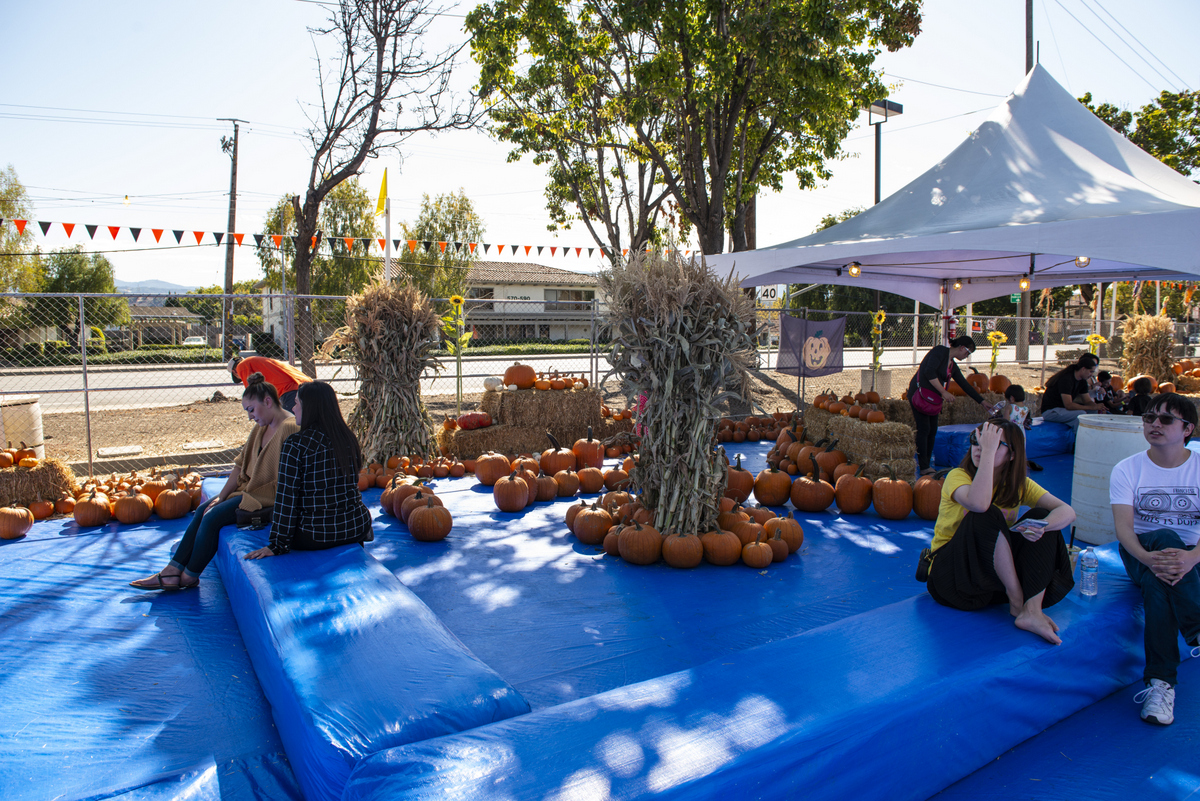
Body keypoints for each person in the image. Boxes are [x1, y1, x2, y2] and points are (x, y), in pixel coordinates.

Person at [130, 373, 299, 590]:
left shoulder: (289, 427)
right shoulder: (261, 426)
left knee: (212, 517)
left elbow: (288, 477)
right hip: (248, 491)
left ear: (267, 401)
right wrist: (221, 497)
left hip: (267, 497)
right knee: (203, 509)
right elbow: (240, 465)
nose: (250, 417)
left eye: (251, 410)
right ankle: (172, 569)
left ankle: (189, 576)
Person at [926, 418, 1077, 644]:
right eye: (976, 440)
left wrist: (1041, 526)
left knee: (1040, 517)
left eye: (993, 443)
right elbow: (979, 504)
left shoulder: (1018, 485)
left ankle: (1031, 611)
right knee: (985, 513)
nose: (980, 448)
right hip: (952, 579)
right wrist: (989, 452)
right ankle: (1018, 600)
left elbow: (1067, 511)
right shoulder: (958, 476)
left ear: (1012, 454)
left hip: (991, 583)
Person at [1112, 393, 1200, 726]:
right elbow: (1124, 529)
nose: (1154, 424)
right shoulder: (1127, 468)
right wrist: (1147, 558)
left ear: (1188, 429)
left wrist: (1191, 559)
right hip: (1140, 551)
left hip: (1191, 556)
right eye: (1149, 418)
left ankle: (1160, 685)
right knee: (1164, 539)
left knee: (1156, 583)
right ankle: (1197, 627)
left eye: (1165, 419)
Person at [244, 380, 373, 560]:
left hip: (313, 534)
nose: (293, 408)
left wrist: (278, 544)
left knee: (273, 513)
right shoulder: (347, 438)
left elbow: (286, 498)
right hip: (355, 527)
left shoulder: (295, 444)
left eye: (297, 403)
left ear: (310, 407)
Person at [909, 336, 991, 476]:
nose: (966, 356)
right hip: (920, 395)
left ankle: (927, 464)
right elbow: (929, 372)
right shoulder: (939, 352)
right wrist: (943, 392)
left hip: (933, 399)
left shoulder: (952, 365)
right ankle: (923, 466)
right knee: (924, 429)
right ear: (962, 347)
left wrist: (982, 402)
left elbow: (964, 384)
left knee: (932, 430)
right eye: (968, 353)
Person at [1040, 355, 1105, 433]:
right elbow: (1068, 405)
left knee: (1093, 412)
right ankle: (1079, 438)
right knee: (1081, 414)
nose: (1091, 374)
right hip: (1051, 411)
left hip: (1064, 411)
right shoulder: (1066, 379)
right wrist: (1090, 407)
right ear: (1083, 369)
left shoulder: (1082, 381)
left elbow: (1087, 400)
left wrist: (1097, 407)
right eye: (1090, 371)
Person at [229, 354, 311, 413]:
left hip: (289, 389)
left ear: (234, 372)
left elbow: (252, 394)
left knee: (290, 425)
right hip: (304, 383)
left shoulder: (241, 366)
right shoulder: (254, 361)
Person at [989, 384, 1042, 472]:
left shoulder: (1010, 407)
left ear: (1012, 398)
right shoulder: (1026, 408)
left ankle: (1006, 466)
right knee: (1019, 449)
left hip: (1010, 431)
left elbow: (1005, 421)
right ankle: (1022, 464)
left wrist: (997, 416)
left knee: (1008, 449)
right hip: (1020, 431)